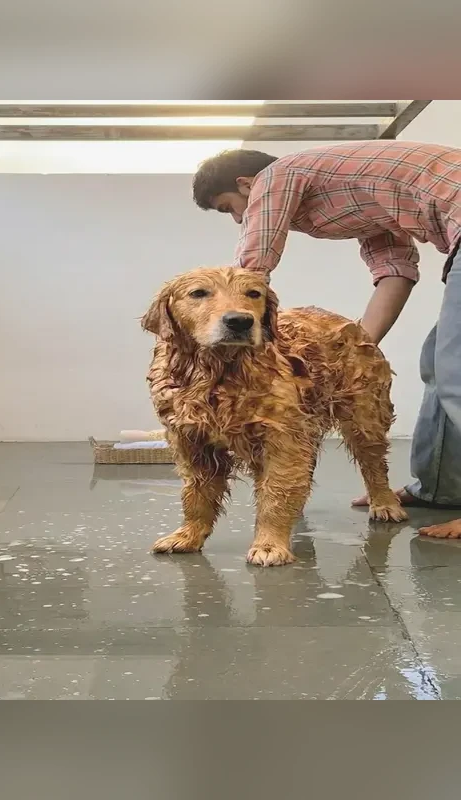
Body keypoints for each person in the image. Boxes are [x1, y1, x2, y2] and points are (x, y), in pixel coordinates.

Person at [192, 141, 461, 538]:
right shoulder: (368, 203)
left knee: (457, 371)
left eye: (229, 207)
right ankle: (439, 489)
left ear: (247, 184)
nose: (237, 219)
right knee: (439, 363)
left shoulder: (277, 175)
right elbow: (396, 272)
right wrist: (351, 353)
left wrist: (230, 327)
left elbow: (254, 263)